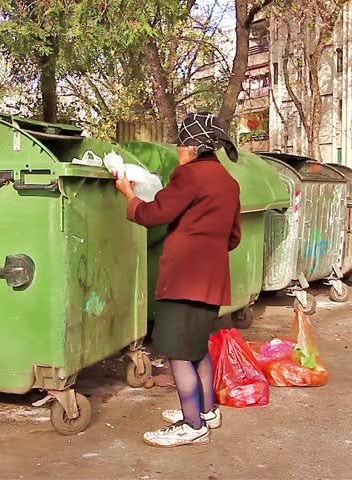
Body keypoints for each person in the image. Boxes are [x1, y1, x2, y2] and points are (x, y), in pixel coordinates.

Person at [115, 112, 242, 448]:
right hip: (213, 279)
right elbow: (233, 237)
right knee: (196, 346)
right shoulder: (229, 182)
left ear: (192, 148)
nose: (178, 152)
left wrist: (128, 194)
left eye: (180, 146)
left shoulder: (190, 176)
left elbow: (153, 214)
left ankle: (192, 423)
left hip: (184, 278)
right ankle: (207, 411)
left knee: (177, 350)